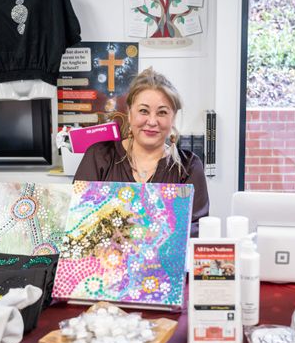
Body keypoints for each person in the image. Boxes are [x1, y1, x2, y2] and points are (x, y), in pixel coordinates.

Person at [74, 67, 209, 237]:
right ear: (130, 113)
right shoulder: (99, 157)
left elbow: (196, 230)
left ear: (173, 118)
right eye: (143, 111)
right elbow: (77, 221)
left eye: (162, 112)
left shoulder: (188, 167)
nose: (152, 121)